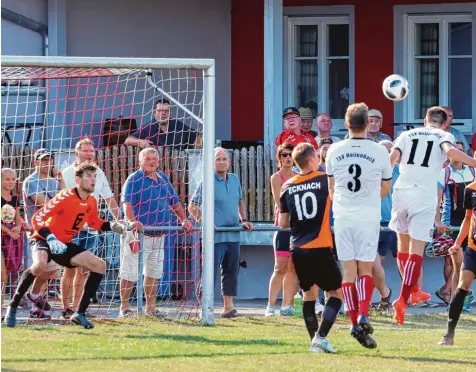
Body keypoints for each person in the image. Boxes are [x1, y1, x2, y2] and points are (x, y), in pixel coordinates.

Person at [3, 163, 126, 329]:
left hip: (63, 244)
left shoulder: (91, 201)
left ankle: (79, 313)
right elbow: (37, 219)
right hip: (43, 239)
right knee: (39, 266)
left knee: (99, 265)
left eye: (94, 176)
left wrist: (111, 226)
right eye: (89, 176)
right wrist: (51, 237)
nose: (93, 180)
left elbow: (94, 222)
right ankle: (13, 306)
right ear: (77, 179)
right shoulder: (64, 196)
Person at [389, 106, 476, 325]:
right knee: (416, 250)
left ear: (425, 120)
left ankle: (414, 290)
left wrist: (382, 175)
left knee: (402, 246)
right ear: (445, 123)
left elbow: (393, 156)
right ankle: (403, 298)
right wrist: (474, 162)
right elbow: (451, 152)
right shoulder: (443, 135)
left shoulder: (406, 134)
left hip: (401, 191)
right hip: (424, 194)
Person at [326, 102, 392, 349]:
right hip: (368, 215)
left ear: (345, 124)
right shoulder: (379, 151)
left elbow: (332, 188)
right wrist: (368, 196)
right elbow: (385, 188)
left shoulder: (334, 150)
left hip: (343, 216)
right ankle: (363, 312)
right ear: (367, 124)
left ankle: (354, 323)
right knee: (366, 269)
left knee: (348, 273)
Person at [279, 143, 343, 353]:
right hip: (320, 245)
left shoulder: (287, 185)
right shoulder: (324, 180)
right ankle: (321, 336)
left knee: (309, 294)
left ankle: (314, 342)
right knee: (336, 293)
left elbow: (282, 223)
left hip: (297, 247)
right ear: (313, 160)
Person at [119, 147, 192, 317]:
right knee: (129, 271)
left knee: (153, 272)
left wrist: (184, 219)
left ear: (158, 162)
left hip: (159, 235)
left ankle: (150, 308)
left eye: (154, 158)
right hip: (137, 235)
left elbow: (175, 203)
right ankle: (124, 309)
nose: (151, 161)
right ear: (139, 161)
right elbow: (127, 203)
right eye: (147, 158)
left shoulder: (163, 179)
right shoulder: (134, 179)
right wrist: (130, 220)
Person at [60, 138, 121, 319]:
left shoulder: (99, 173)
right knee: (69, 269)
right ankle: (65, 308)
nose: (88, 154)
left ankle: (79, 308)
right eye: (85, 150)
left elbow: (109, 199)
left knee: (84, 270)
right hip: (71, 230)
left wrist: (121, 221)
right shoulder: (68, 173)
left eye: (91, 151)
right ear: (76, 153)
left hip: (91, 230)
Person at [189, 147, 253, 318]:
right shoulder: (207, 181)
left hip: (233, 234)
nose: (222, 162)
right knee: (210, 272)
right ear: (212, 162)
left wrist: (244, 220)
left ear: (229, 162)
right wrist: (207, 223)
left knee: (231, 271)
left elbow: (240, 202)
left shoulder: (234, 179)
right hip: (214, 237)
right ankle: (203, 308)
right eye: (218, 159)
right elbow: (192, 206)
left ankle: (228, 308)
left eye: (224, 159)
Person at [22, 148, 65, 318]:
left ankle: (35, 303)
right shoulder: (30, 181)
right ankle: (22, 295)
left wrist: (61, 181)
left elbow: (65, 201)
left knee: (50, 271)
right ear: (35, 163)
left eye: (49, 160)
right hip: (37, 232)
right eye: (43, 160)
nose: (47, 163)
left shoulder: (54, 182)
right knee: (39, 266)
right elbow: (46, 206)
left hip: (55, 232)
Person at [435, 140, 475, 310]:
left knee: (467, 261)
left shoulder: (472, 171)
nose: (457, 154)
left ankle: (460, 294)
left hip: (469, 222)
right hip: (451, 222)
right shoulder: (444, 173)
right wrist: (438, 222)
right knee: (453, 262)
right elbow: (436, 201)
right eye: (454, 151)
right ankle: (453, 295)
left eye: (460, 151)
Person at [438, 179, 476, 345]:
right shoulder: (470, 189)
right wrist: (457, 243)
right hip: (473, 249)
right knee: (462, 287)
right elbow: (468, 218)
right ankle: (449, 335)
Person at [265, 143, 298, 317]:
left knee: (293, 269)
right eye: (284, 155)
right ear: (279, 158)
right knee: (280, 268)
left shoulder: (299, 176)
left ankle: (287, 306)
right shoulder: (276, 178)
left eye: (290, 154)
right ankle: (270, 306)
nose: (287, 158)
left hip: (297, 228)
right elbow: (280, 203)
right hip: (283, 226)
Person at [371, 140, 399, 314]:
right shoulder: (373, 170)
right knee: (368, 262)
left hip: (390, 221)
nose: (388, 155)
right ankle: (381, 296)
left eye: (390, 151)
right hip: (371, 220)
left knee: (379, 261)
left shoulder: (399, 171)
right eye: (384, 151)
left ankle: (392, 297)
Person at [1, 168, 29, 314]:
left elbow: (18, 218)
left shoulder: (15, 198)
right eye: (7, 179)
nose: (11, 182)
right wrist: (8, 232)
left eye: (13, 179)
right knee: (2, 274)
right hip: (3, 236)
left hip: (11, 239)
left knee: (6, 275)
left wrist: (18, 227)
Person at [125, 98, 202, 150]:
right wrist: (140, 142)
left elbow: (197, 136)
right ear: (154, 112)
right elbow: (127, 140)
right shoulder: (149, 128)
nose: (163, 113)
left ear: (170, 112)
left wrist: (195, 153)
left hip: (180, 168)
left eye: (166, 111)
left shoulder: (178, 125)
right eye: (160, 110)